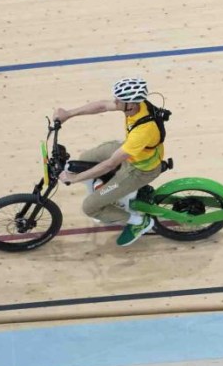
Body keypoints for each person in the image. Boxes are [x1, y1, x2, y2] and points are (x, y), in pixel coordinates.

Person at [53, 77, 169, 247]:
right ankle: (108, 196)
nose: (115, 102)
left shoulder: (144, 130)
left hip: (139, 170)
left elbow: (110, 164)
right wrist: (69, 114)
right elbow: (102, 106)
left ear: (131, 103)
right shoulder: (137, 105)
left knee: (89, 207)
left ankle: (139, 222)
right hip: (132, 151)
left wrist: (74, 179)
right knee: (85, 158)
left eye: (119, 100)